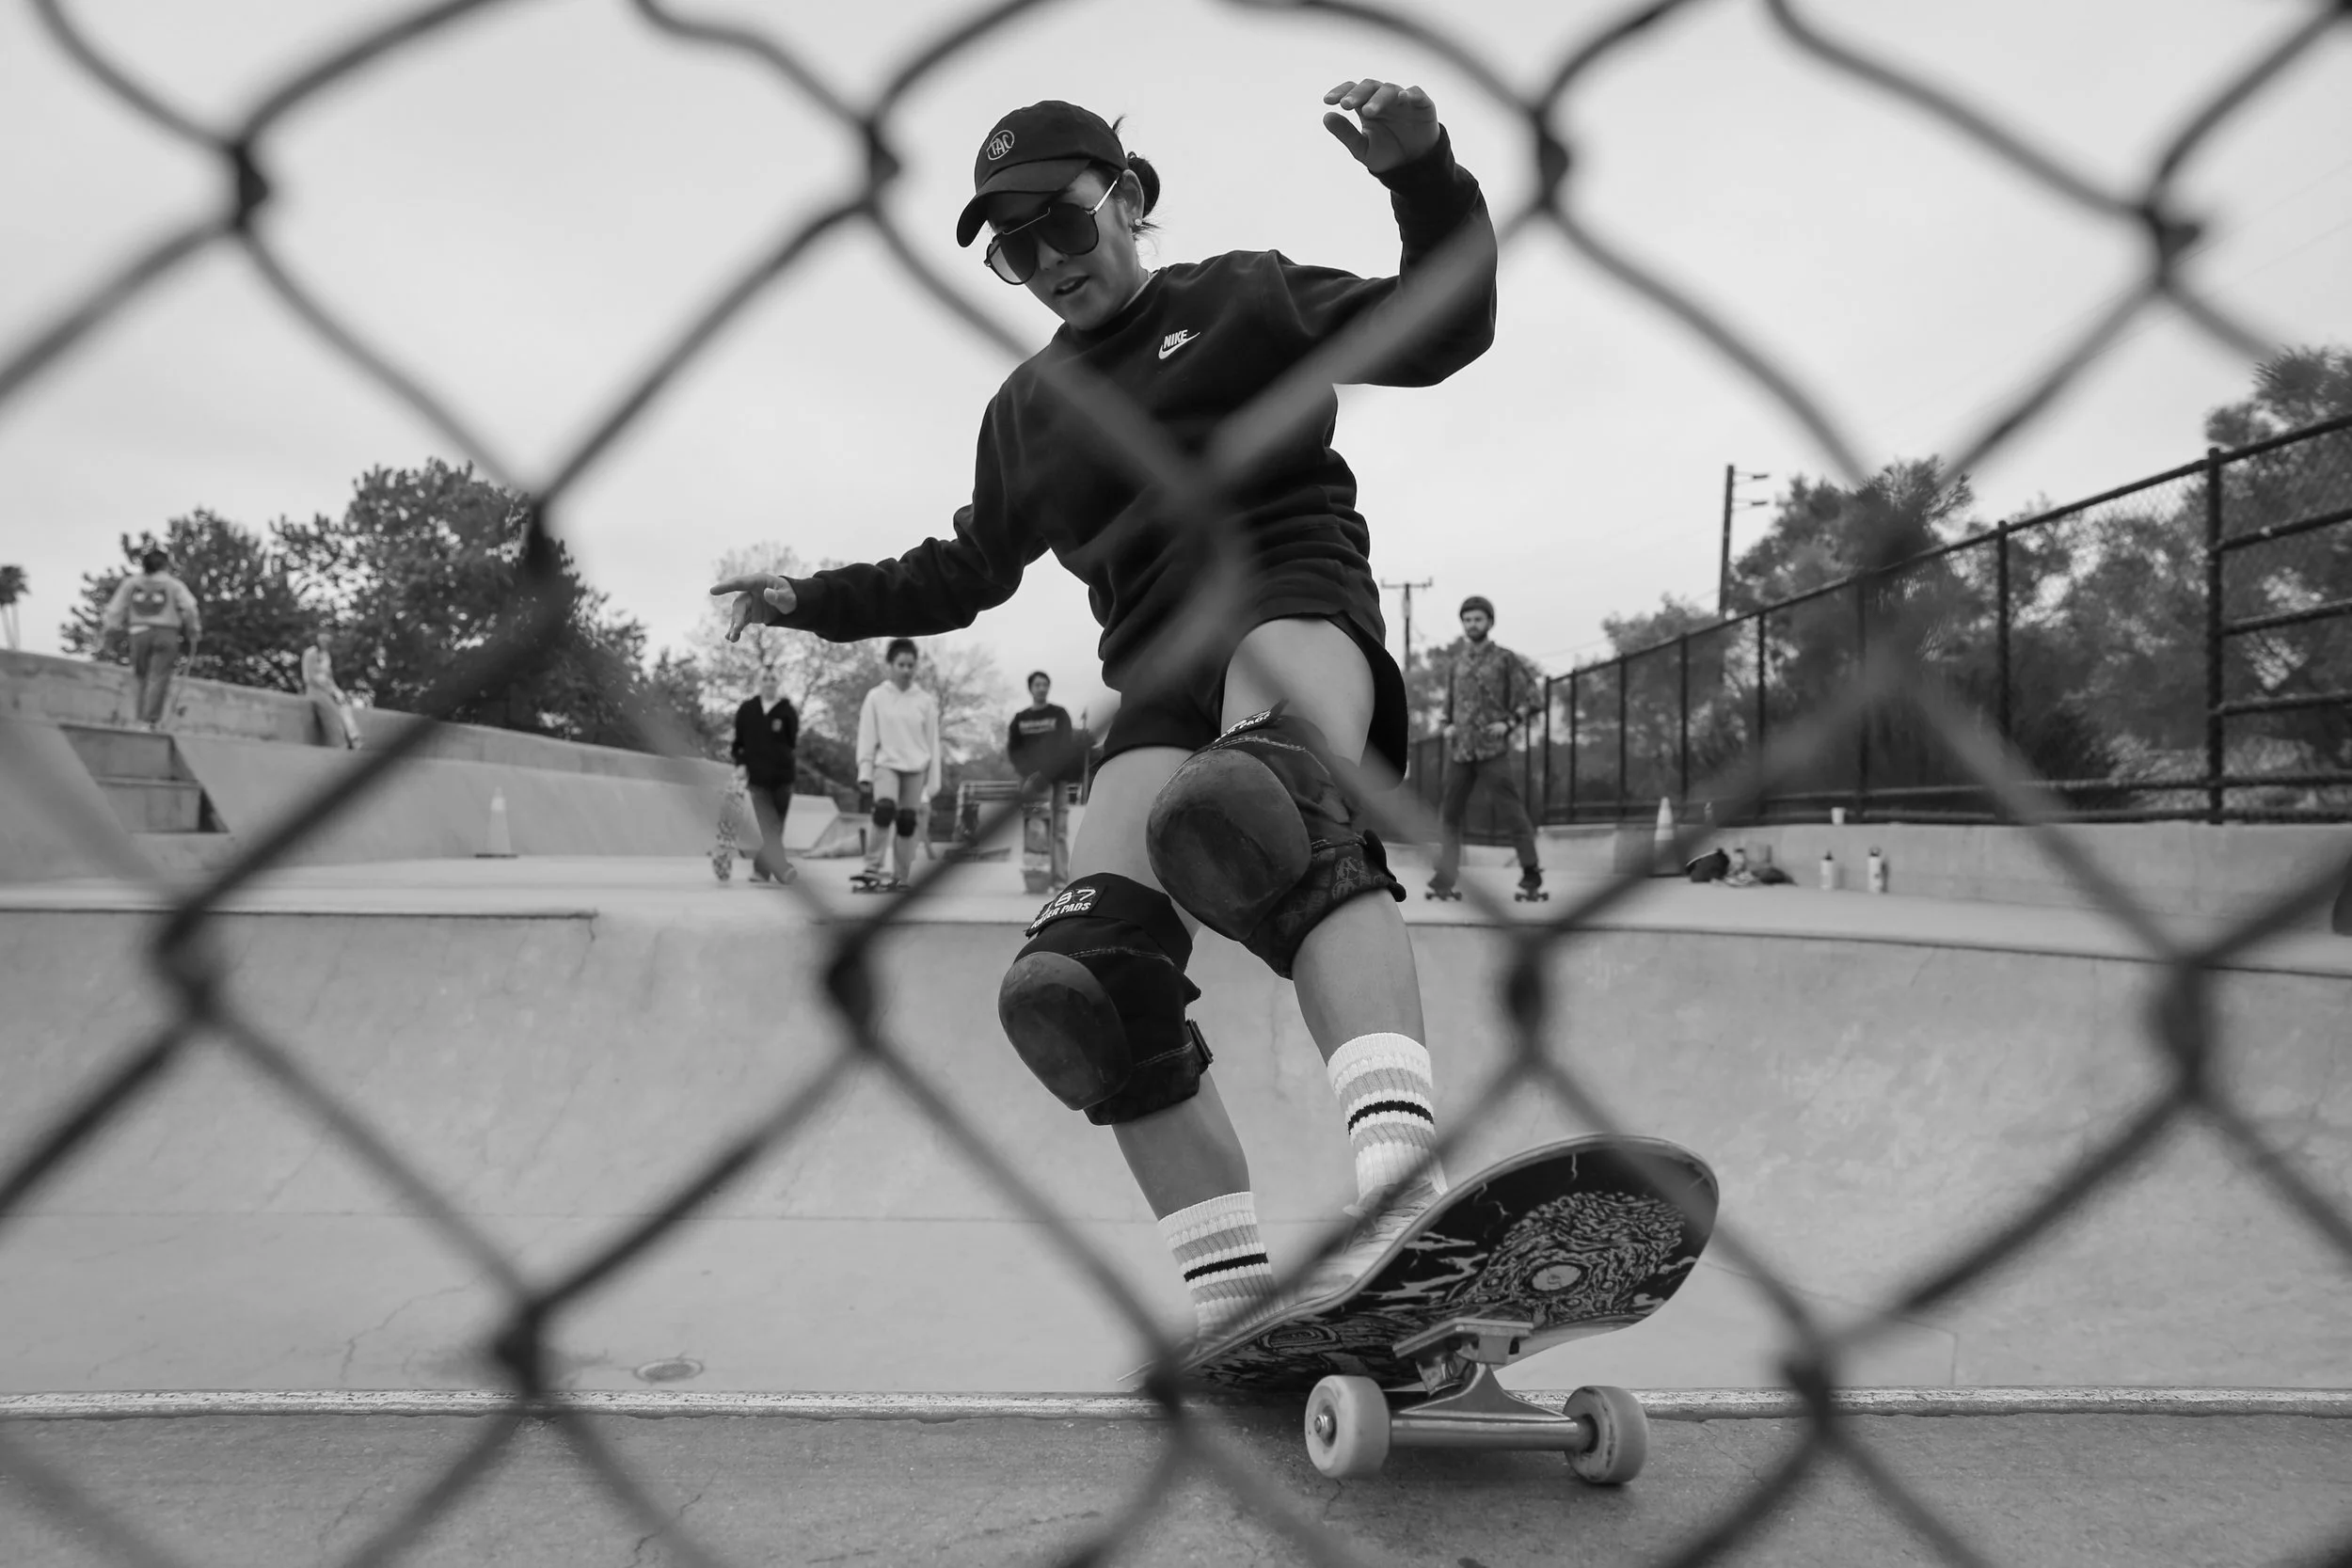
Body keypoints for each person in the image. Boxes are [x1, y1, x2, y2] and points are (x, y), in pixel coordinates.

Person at [713, 81, 1497, 1340]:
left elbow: (1440, 331)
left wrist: (1427, 178)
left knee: (1263, 808)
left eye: (1065, 229)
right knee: (1079, 979)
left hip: (1289, 600)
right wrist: (810, 596)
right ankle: (1238, 1302)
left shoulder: (1245, 295)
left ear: (1128, 199)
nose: (1047, 266)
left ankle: (1409, 1191)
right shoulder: (1026, 413)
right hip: (1156, 679)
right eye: (1017, 252)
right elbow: (960, 573)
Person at [1430, 595, 1545, 899]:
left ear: (1490, 622)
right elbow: (1447, 706)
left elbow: (1532, 698)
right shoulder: (1457, 663)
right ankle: (1446, 874)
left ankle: (1531, 872)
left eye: (1478, 619)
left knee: (1512, 813)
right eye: (1467, 620)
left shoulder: (1505, 659)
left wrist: (1509, 724)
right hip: (1460, 752)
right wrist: (1447, 725)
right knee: (1449, 814)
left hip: (1492, 751)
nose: (1472, 625)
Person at [853, 639, 942, 891]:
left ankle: (901, 875)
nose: (906, 670)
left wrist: (932, 784)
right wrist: (865, 771)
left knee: (906, 821)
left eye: (911, 665)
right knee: (884, 809)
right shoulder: (876, 697)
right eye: (901, 664)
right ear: (890, 666)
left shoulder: (924, 701)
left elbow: (933, 743)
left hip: (916, 768)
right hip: (886, 764)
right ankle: (872, 867)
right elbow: (867, 735)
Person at [99, 547, 201, 732]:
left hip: (139, 631)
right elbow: (190, 607)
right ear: (165, 565)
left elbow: (114, 610)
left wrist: (109, 631)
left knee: (140, 676)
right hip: (166, 632)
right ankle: (149, 721)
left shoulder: (131, 584)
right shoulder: (173, 585)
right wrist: (193, 630)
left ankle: (138, 719)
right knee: (159, 676)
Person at [1008, 669, 1077, 890]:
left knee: (1058, 832)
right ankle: (1036, 880)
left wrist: (1046, 774)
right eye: (1037, 685)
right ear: (1030, 688)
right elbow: (1013, 750)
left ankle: (1060, 880)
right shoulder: (1020, 719)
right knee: (1035, 831)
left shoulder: (1059, 714)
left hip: (1056, 781)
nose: (1042, 688)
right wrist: (1031, 775)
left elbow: (1065, 746)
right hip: (1031, 785)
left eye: (1045, 684)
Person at [732, 669, 801, 884]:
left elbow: (791, 742)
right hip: (758, 780)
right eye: (765, 679)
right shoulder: (747, 710)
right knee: (768, 827)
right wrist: (741, 764)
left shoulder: (787, 710)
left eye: (773, 679)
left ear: (778, 683)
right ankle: (782, 869)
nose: (769, 683)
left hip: (783, 778)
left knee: (776, 827)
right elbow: (738, 744)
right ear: (758, 682)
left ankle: (761, 870)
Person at [300, 631, 364, 750]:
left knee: (345, 708)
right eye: (324, 640)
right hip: (315, 691)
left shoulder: (326, 655)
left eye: (328, 641)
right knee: (333, 714)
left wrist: (336, 691)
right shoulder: (311, 653)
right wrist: (328, 689)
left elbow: (329, 677)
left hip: (327, 690)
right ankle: (340, 744)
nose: (326, 643)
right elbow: (310, 677)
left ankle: (354, 738)